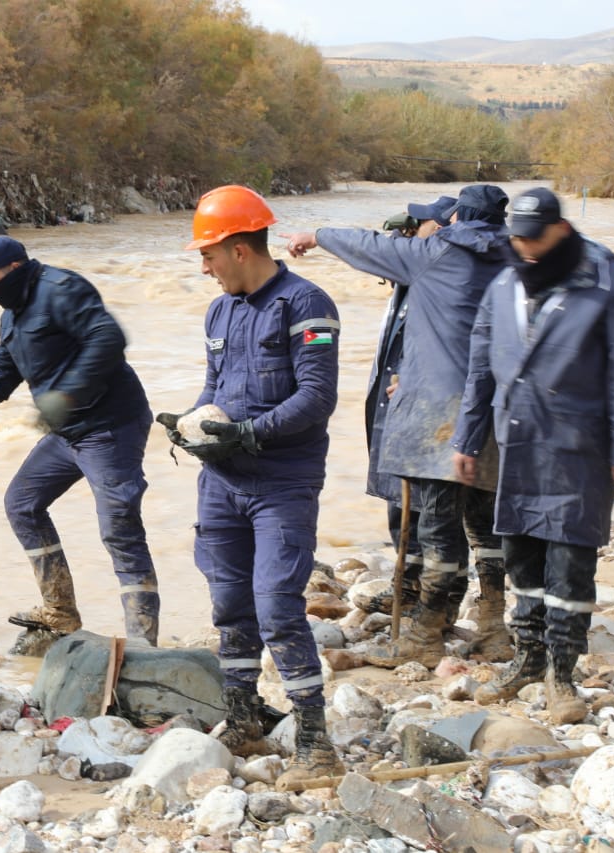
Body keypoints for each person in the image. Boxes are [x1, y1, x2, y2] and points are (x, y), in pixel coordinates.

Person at [157, 185, 342, 788]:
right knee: (229, 604)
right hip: (222, 481)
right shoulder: (219, 311)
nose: (203, 267)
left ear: (239, 249)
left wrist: (250, 436)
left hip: (282, 483)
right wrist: (190, 424)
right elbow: (215, 386)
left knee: (277, 606)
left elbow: (316, 398)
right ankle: (243, 717)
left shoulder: (305, 304)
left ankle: (315, 739)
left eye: (208, 255)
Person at [285, 184, 513, 668]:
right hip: (498, 407)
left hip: (437, 411)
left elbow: (369, 246)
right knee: (485, 525)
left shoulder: (434, 254)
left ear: (456, 220)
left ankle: (425, 634)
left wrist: (316, 235)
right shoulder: (518, 260)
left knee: (436, 526)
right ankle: (495, 628)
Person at [452, 188, 614, 723]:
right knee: (522, 559)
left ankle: (563, 676)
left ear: (561, 229)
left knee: (570, 561)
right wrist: (466, 439)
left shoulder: (608, 283)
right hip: (516, 442)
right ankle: (527, 661)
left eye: (533, 236)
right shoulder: (503, 283)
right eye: (516, 237)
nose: (525, 246)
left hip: (578, 448)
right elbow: (480, 369)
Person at [0, 236, 160, 645]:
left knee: (119, 529)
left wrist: (67, 395)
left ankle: (143, 644)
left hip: (110, 426)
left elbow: (108, 339)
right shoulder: (11, 316)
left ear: (14, 269)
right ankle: (60, 611)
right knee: (22, 504)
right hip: (67, 432)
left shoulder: (62, 289)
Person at [361, 198, 454, 619]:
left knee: (422, 506)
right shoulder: (412, 270)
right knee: (399, 501)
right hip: (393, 401)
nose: (412, 228)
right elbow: (377, 256)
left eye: (422, 222)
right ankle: (408, 585)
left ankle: (425, 599)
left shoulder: (441, 273)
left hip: (420, 404)